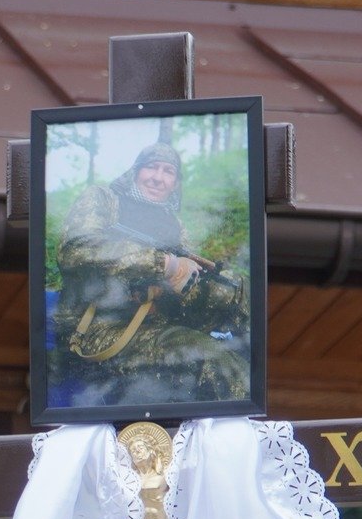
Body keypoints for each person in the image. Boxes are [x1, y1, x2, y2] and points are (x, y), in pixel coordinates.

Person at [52, 141, 248, 410]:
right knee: (214, 361)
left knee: (239, 299)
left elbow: (180, 293)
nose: (158, 177)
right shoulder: (103, 199)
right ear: (136, 171)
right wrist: (162, 263)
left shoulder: (174, 226)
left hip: (154, 326)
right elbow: (76, 249)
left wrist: (196, 288)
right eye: (151, 167)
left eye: (168, 171)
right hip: (99, 330)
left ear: (175, 183)